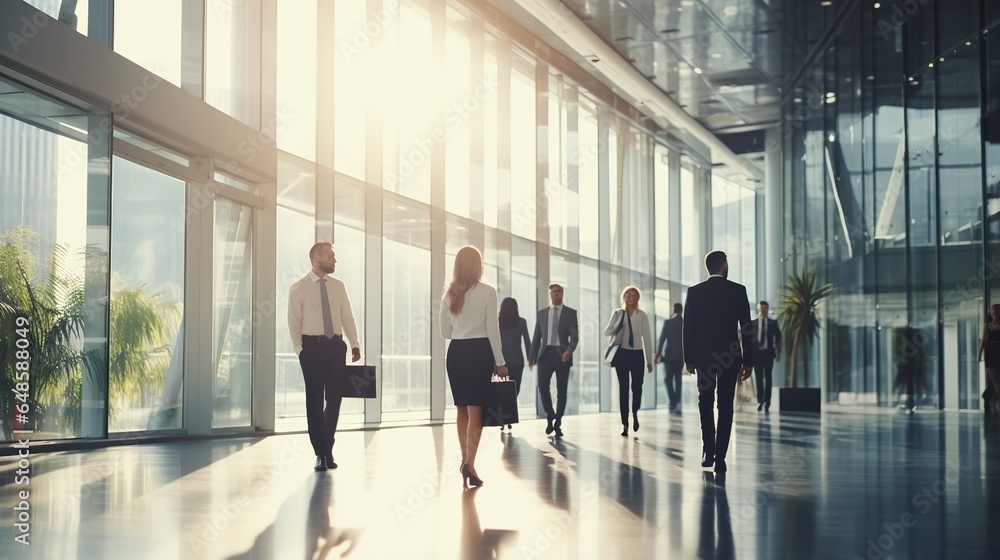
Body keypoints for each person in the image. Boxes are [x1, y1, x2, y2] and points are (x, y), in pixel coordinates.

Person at [287, 242, 362, 472]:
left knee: (335, 398)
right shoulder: (298, 289)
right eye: (330, 256)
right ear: (317, 258)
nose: (335, 260)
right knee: (314, 401)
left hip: (335, 347)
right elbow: (294, 323)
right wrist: (300, 351)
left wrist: (354, 343)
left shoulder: (339, 286)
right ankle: (320, 453)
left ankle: (327, 446)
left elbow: (347, 316)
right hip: (312, 348)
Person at [440, 246, 508, 487]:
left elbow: (444, 332)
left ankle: (464, 459)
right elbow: (493, 331)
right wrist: (500, 362)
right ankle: (470, 462)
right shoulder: (488, 292)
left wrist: (461, 328)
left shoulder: (449, 294)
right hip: (480, 352)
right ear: (479, 265)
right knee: (475, 409)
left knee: (461, 408)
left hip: (456, 352)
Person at [683, 250, 753, 474]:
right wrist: (748, 360)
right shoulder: (738, 291)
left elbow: (689, 328)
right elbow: (747, 328)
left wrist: (689, 359)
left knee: (704, 402)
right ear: (724, 266)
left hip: (703, 358)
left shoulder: (694, 292)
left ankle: (708, 451)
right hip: (730, 357)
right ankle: (721, 457)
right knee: (725, 405)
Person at [528, 283, 579, 438]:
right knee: (543, 386)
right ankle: (550, 414)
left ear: (562, 293)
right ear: (550, 294)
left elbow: (575, 335)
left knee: (561, 390)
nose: (556, 294)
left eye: (559, 291)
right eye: (554, 292)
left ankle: (558, 422)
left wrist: (569, 350)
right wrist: (532, 356)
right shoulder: (542, 313)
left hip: (562, 353)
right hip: (545, 354)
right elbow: (537, 336)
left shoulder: (570, 313)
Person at [605, 286, 654, 436]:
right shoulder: (618, 314)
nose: (630, 297)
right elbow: (607, 332)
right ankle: (625, 423)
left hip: (637, 355)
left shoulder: (642, 315)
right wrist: (617, 324)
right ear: (623, 297)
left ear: (638, 298)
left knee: (637, 388)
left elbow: (647, 338)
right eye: (628, 294)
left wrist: (649, 360)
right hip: (622, 354)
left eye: (634, 295)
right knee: (624, 389)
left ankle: (635, 413)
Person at [499, 297, 531, 431]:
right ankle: (508, 417)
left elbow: (493, 342)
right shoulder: (521, 322)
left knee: (502, 389)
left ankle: (503, 416)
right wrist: (531, 358)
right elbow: (527, 342)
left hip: (501, 361)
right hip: (517, 360)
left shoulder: (497, 322)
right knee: (514, 390)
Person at [655, 303, 685, 414]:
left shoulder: (668, 323)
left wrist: (658, 353)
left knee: (667, 379)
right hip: (681, 357)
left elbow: (662, 339)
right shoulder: (684, 323)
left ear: (673, 310)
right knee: (678, 380)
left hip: (669, 357)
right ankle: (677, 402)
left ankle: (673, 402)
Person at [751, 300, 781, 412]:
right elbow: (749, 340)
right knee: (758, 378)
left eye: (765, 308)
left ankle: (767, 402)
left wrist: (776, 346)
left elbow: (778, 336)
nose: (763, 310)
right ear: (759, 310)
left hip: (768, 354)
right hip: (757, 354)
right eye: (761, 308)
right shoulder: (752, 323)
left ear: (767, 309)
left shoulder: (772, 323)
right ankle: (760, 400)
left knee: (768, 378)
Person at [978, 303, 1000, 415]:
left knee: (994, 378)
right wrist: (980, 353)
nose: (993, 314)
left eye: (995, 311)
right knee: (994, 376)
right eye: (992, 312)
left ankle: (987, 395)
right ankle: (996, 397)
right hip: (991, 351)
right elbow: (983, 340)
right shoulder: (988, 325)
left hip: (998, 351)